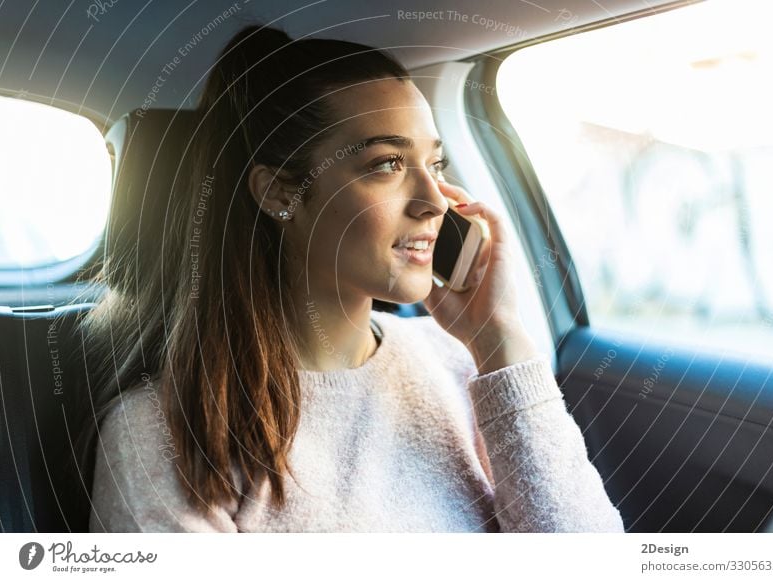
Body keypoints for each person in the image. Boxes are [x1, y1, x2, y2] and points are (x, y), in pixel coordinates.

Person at [82, 24, 625, 533]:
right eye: (386, 164)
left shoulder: (456, 361)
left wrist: (497, 338)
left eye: (436, 165)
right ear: (278, 193)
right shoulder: (160, 435)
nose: (435, 202)